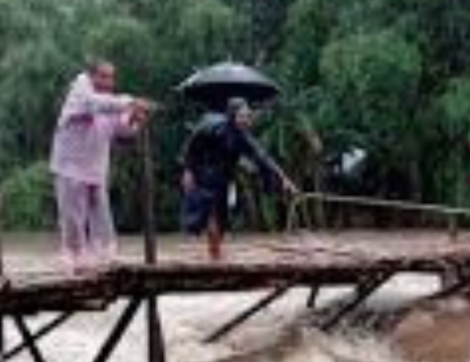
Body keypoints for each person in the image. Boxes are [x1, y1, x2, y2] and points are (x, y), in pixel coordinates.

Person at [50, 60, 151, 273]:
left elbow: (123, 129)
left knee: (101, 214)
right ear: (92, 76)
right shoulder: (81, 90)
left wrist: (134, 117)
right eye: (104, 76)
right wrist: (131, 101)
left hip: (95, 167)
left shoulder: (109, 100)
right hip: (70, 165)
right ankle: (73, 258)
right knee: (73, 217)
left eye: (112, 77)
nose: (109, 82)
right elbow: (94, 104)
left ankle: (104, 256)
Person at [180, 98, 297, 261]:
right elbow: (192, 145)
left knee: (221, 217)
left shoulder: (242, 136)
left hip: (223, 177)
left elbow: (262, 156)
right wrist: (188, 171)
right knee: (210, 214)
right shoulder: (212, 126)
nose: (247, 120)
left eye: (248, 116)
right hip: (202, 174)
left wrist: (283, 178)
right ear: (232, 116)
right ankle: (215, 256)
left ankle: (215, 254)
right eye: (242, 116)